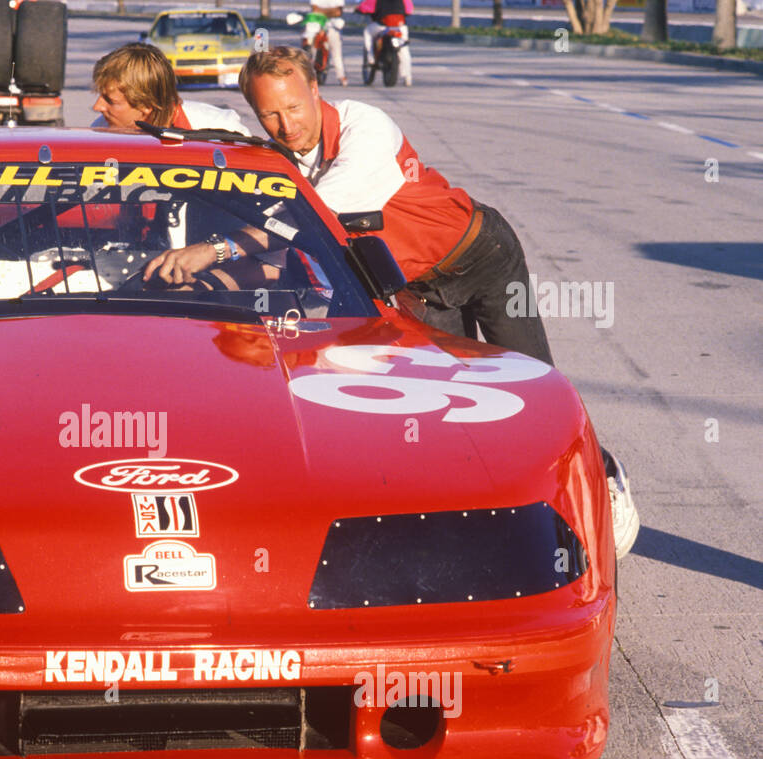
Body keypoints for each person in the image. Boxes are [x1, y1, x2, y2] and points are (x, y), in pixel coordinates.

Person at [144, 47, 639, 556]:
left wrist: (215, 250)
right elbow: (205, 132)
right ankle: (483, 528)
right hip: (420, 288)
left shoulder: (367, 129)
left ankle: (605, 481)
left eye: (293, 108)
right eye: (269, 113)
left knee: (534, 388)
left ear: (316, 92)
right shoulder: (282, 155)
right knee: (459, 413)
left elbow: (315, 218)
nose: (285, 124)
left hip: (483, 256)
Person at [91, 43, 252, 135]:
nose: (97, 107)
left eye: (110, 100)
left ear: (147, 106)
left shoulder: (222, 129)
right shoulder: (99, 130)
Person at [356, 0, 413, 86]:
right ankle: (407, 77)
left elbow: (365, 8)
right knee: (403, 48)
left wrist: (358, 9)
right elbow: (409, 10)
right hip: (400, 26)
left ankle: (371, 58)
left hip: (382, 26)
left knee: (367, 32)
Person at [303, 1, 348, 87]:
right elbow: (315, 9)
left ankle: (341, 76)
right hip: (316, 24)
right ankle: (308, 74)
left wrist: (321, 11)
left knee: (336, 53)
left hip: (334, 26)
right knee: (310, 48)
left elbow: (338, 12)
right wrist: (331, 11)